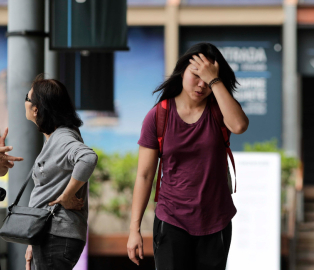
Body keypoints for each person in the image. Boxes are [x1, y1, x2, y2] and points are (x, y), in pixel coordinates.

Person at [127, 43, 249, 270]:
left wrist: (215, 80)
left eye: (208, 79)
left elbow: (240, 125)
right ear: (182, 71)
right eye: (196, 75)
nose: (202, 84)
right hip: (171, 220)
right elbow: (144, 176)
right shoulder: (158, 116)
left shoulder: (220, 110)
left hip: (216, 221)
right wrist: (134, 229)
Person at [23, 76, 98, 270]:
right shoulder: (57, 137)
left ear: (36, 109)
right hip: (50, 233)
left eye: (27, 97)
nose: (24, 102)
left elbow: (88, 158)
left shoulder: (62, 137)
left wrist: (66, 196)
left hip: (56, 234)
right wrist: (33, 240)